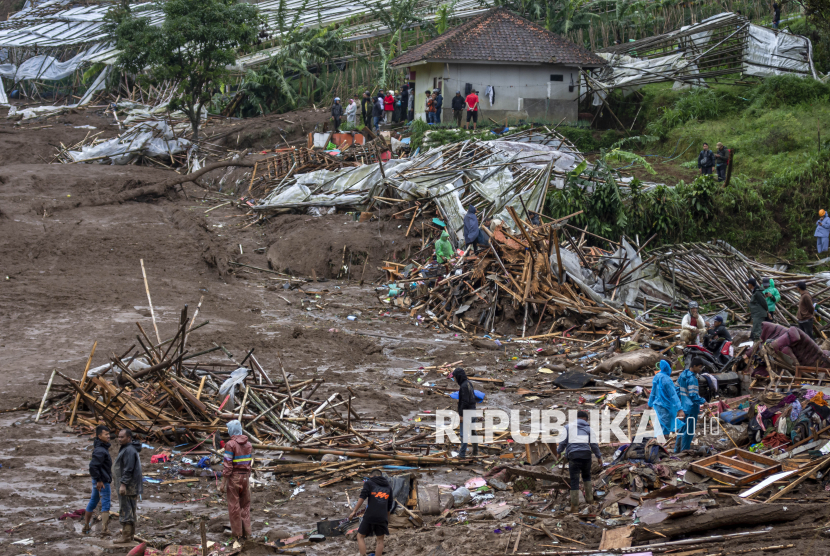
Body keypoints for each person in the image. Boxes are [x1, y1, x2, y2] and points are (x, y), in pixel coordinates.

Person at [557, 410, 602, 512]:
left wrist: (558, 452)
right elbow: (594, 445)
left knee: (574, 481)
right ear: (585, 419)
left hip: (573, 456)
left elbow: (563, 442)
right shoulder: (589, 429)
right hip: (586, 455)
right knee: (587, 477)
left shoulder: (568, 427)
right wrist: (599, 457)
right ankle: (590, 501)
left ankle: (575, 507)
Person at [348, 469, 393, 556]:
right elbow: (389, 506)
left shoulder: (369, 483)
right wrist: (387, 519)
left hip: (370, 515)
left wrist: (354, 511)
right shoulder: (388, 487)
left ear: (372, 476)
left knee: (360, 536)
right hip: (382, 517)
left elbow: (362, 497)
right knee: (380, 540)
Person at [220, 420, 252, 540]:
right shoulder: (248, 444)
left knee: (234, 506)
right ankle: (247, 533)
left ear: (231, 430)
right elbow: (249, 464)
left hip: (235, 478)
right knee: (245, 506)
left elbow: (228, 465)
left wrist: (223, 482)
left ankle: (237, 535)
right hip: (245, 477)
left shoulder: (230, 444)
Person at [113, 428, 142, 544]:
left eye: (122, 437)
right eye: (119, 437)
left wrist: (123, 484)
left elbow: (128, 469)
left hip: (129, 486)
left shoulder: (129, 450)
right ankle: (130, 536)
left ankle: (126, 536)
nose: (119, 439)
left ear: (129, 438)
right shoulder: (129, 448)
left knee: (126, 509)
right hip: (131, 485)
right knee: (130, 509)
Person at [83, 425, 113, 536]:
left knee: (93, 500)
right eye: (106, 434)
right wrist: (99, 480)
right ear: (99, 436)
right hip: (102, 481)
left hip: (98, 480)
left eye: (109, 434)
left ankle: (86, 526)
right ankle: (105, 529)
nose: (108, 436)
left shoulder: (100, 447)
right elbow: (93, 466)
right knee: (106, 503)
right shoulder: (100, 450)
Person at [675, 358, 706, 453]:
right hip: (691, 408)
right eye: (699, 367)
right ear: (694, 366)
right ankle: (684, 450)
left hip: (683, 408)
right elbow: (693, 396)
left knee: (682, 430)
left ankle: (677, 450)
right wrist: (704, 401)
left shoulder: (682, 375)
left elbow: (676, 389)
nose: (700, 369)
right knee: (689, 432)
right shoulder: (692, 379)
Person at [648, 360, 684, 437]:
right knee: (665, 427)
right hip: (666, 407)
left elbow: (653, 392)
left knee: (659, 425)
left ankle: (659, 443)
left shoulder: (657, 376)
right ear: (668, 367)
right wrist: (679, 409)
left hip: (657, 406)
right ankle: (663, 444)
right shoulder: (667, 379)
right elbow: (673, 395)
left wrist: (649, 403)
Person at [452, 367, 478, 457]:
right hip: (472, 411)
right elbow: (472, 398)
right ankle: (475, 451)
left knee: (463, 434)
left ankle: (462, 454)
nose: (454, 378)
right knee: (472, 432)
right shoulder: (469, 384)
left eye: (455, 377)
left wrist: (461, 415)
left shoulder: (463, 386)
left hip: (466, 413)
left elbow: (465, 402)